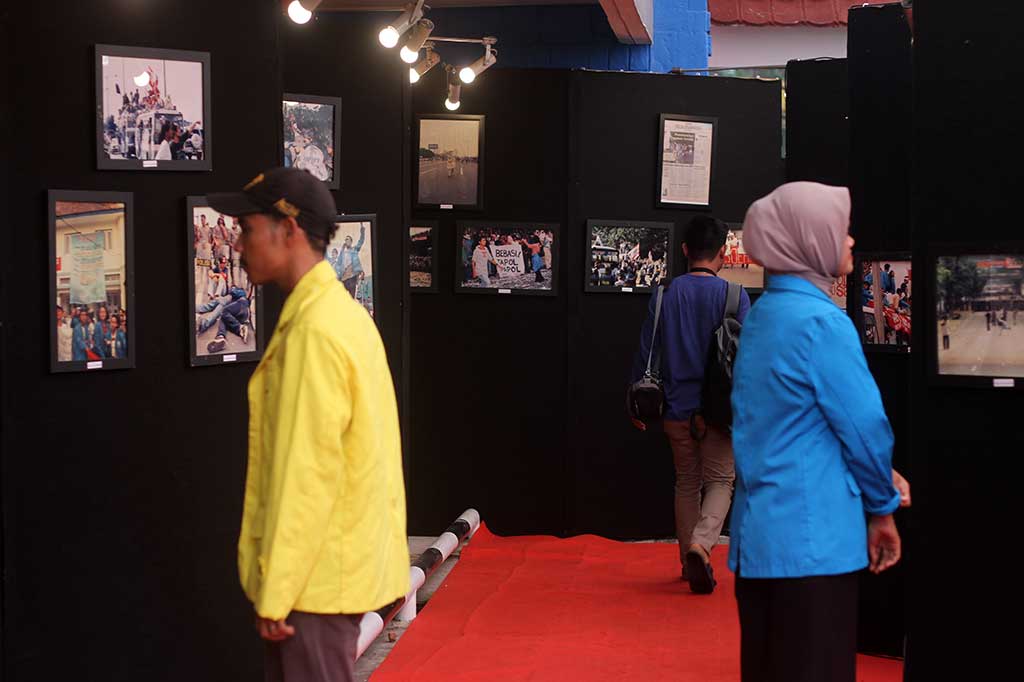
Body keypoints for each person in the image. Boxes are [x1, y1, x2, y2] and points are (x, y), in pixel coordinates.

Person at [208, 167, 407, 682]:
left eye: (248, 228)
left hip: (312, 587)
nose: (238, 243)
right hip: (328, 575)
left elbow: (305, 476)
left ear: (288, 229)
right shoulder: (339, 314)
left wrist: (277, 591)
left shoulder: (315, 330)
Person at [729, 182, 910, 682]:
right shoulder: (822, 324)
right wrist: (881, 506)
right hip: (814, 546)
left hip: (760, 540)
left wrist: (879, 474)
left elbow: (788, 426)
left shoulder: (765, 315)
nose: (850, 241)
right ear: (809, 240)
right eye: (841, 230)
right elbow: (865, 427)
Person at [630, 215, 751, 594]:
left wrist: (633, 402)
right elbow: (748, 360)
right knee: (720, 481)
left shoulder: (665, 293)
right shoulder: (735, 296)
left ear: (685, 250)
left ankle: (687, 560)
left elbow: (647, 352)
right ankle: (702, 544)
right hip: (721, 413)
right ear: (722, 253)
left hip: (675, 408)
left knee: (686, 483)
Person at [334, 226, 366, 299]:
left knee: (351, 299)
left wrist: (362, 229)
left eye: (348, 240)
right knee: (342, 298)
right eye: (345, 240)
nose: (346, 241)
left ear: (351, 242)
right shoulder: (342, 253)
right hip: (343, 278)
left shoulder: (354, 250)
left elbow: (361, 241)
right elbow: (338, 264)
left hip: (352, 277)